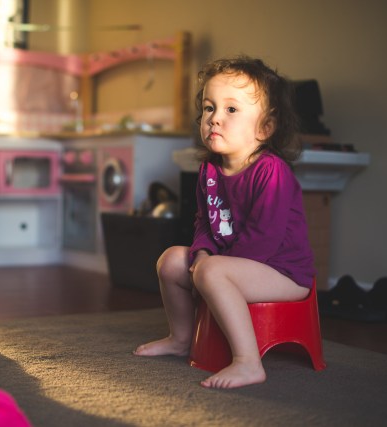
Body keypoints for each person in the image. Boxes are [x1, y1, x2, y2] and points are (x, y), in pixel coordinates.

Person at [133, 55, 315, 389]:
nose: (215, 118)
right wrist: (202, 252)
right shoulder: (210, 170)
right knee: (172, 260)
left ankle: (248, 362)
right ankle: (181, 339)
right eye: (208, 108)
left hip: (283, 272)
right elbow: (206, 221)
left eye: (231, 110)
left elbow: (265, 239)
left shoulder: (270, 172)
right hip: (232, 264)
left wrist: (214, 267)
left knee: (212, 271)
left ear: (265, 127)